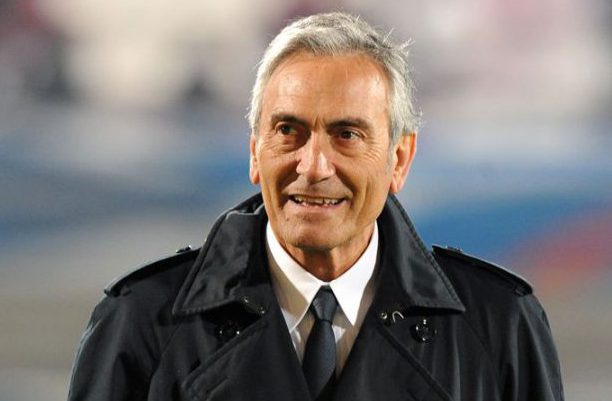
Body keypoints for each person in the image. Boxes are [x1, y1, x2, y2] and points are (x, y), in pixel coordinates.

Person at [67, 12, 564, 401]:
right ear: (254, 152)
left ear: (399, 159)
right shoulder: (141, 323)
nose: (314, 166)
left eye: (347, 135)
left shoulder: (500, 326)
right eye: (289, 130)